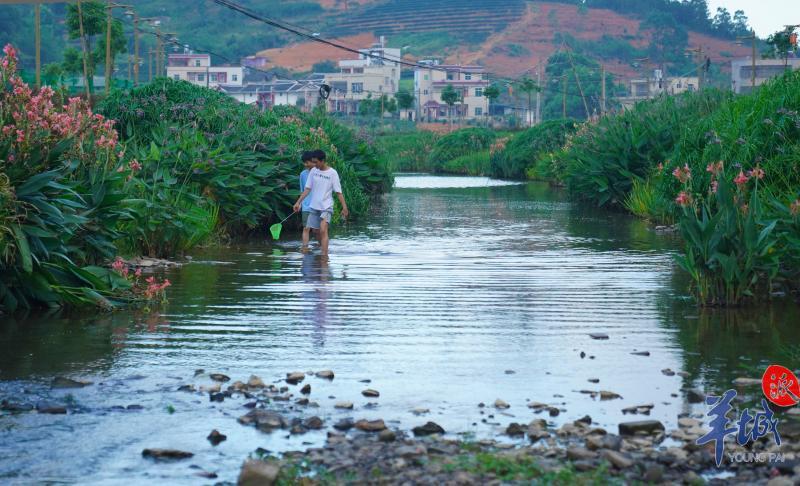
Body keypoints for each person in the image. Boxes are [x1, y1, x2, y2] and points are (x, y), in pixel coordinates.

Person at [293, 149, 349, 255]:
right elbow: (307, 189)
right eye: (313, 162)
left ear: (323, 161)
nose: (314, 164)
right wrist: (298, 202)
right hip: (314, 207)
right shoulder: (313, 171)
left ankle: (324, 256)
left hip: (326, 206)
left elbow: (338, 192)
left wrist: (344, 207)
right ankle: (323, 247)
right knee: (315, 231)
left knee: (323, 229)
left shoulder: (332, 173)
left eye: (316, 162)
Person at [299, 151, 316, 251]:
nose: (305, 164)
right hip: (306, 205)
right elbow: (302, 190)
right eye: (304, 162)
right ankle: (305, 248)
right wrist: (300, 203)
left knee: (317, 230)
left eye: (307, 162)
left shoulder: (320, 173)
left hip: (318, 205)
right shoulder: (302, 174)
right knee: (306, 228)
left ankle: (321, 247)